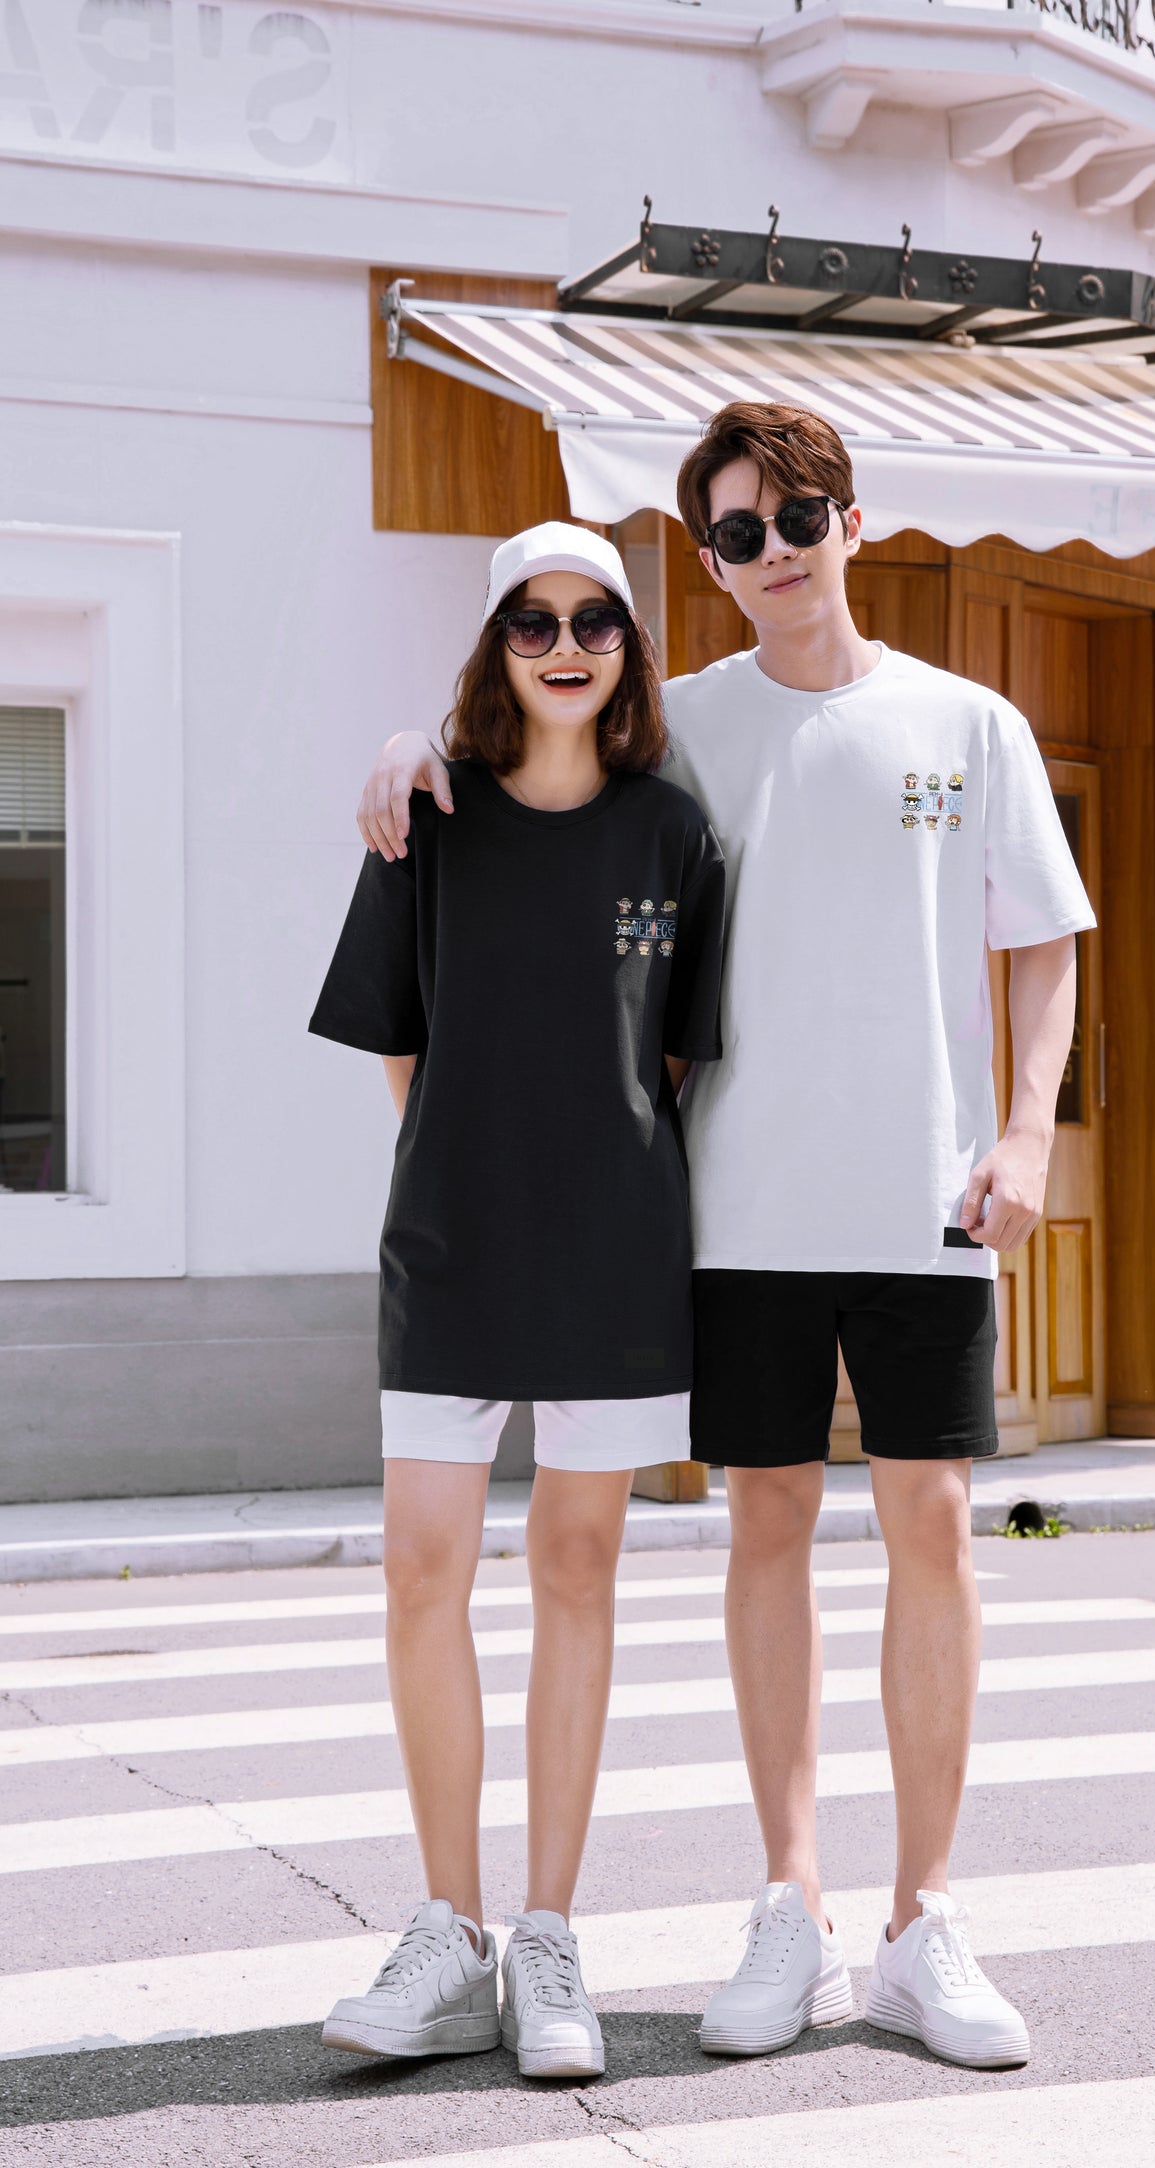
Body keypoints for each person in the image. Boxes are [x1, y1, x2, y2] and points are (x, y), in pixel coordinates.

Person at [354, 406, 1092, 2072]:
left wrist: (1027, 1128)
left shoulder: (967, 723)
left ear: (850, 521)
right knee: (768, 1525)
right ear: (705, 561)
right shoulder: (679, 727)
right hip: (730, 1207)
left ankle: (921, 1922)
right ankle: (790, 1905)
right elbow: (530, 756)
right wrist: (406, 747)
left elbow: (1043, 939)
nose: (773, 554)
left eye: (796, 519)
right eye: (737, 534)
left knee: (934, 1527)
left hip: (923, 1199)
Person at [310, 522, 725, 2078]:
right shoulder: (425, 816)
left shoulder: (672, 833)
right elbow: (401, 1043)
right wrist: (465, 1157)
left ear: (628, 646)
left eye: (593, 621)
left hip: (615, 1252)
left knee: (576, 1567)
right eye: (531, 622)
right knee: (422, 1565)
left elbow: (671, 1057)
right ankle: (449, 1931)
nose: (563, 646)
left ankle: (549, 1936)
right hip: (451, 1243)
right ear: (494, 646)